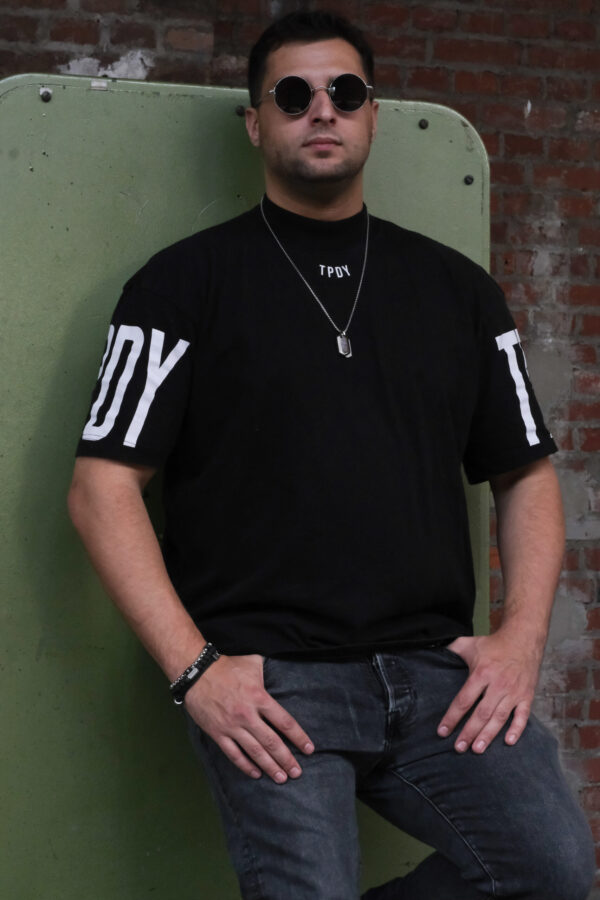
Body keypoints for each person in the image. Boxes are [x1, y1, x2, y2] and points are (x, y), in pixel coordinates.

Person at [67, 10, 595, 900]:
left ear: (373, 115)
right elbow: (100, 488)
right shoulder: (180, 285)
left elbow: (526, 473)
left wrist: (520, 639)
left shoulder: (458, 292)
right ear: (255, 123)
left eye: (345, 92)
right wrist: (196, 671)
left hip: (435, 672)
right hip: (272, 682)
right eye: (293, 94)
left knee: (553, 870)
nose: (323, 110)